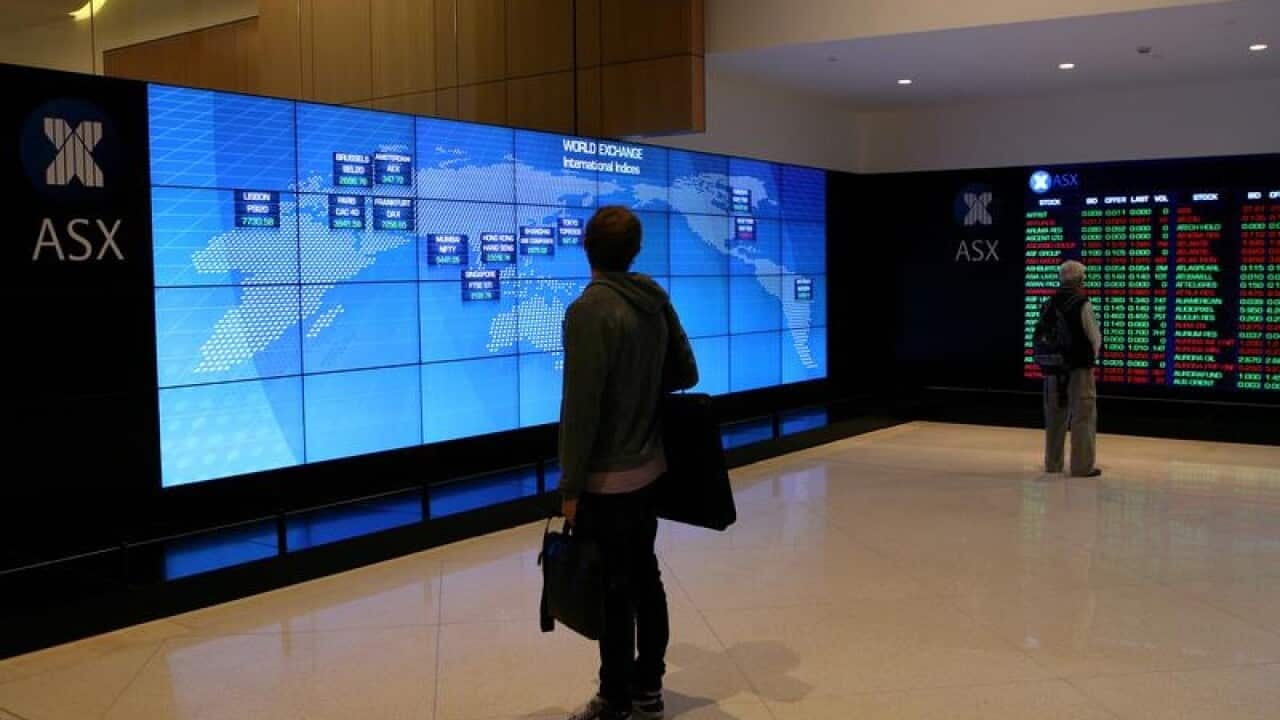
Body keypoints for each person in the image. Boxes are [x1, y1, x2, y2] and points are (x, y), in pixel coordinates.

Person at [559, 206, 699, 720]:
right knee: (646, 578)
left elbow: (581, 409)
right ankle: (650, 691)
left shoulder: (589, 310)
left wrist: (571, 487)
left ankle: (614, 696)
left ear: (587, 247)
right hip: (650, 470)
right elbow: (686, 371)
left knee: (612, 589)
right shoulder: (654, 301)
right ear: (634, 251)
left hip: (605, 480)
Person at [1042, 260, 1103, 478]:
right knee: (1083, 416)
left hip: (1052, 370)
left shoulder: (1048, 303)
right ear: (1080, 280)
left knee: (1054, 417)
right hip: (1078, 369)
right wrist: (1090, 359)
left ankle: (1052, 463)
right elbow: (1095, 338)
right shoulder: (1082, 304)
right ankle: (1081, 467)